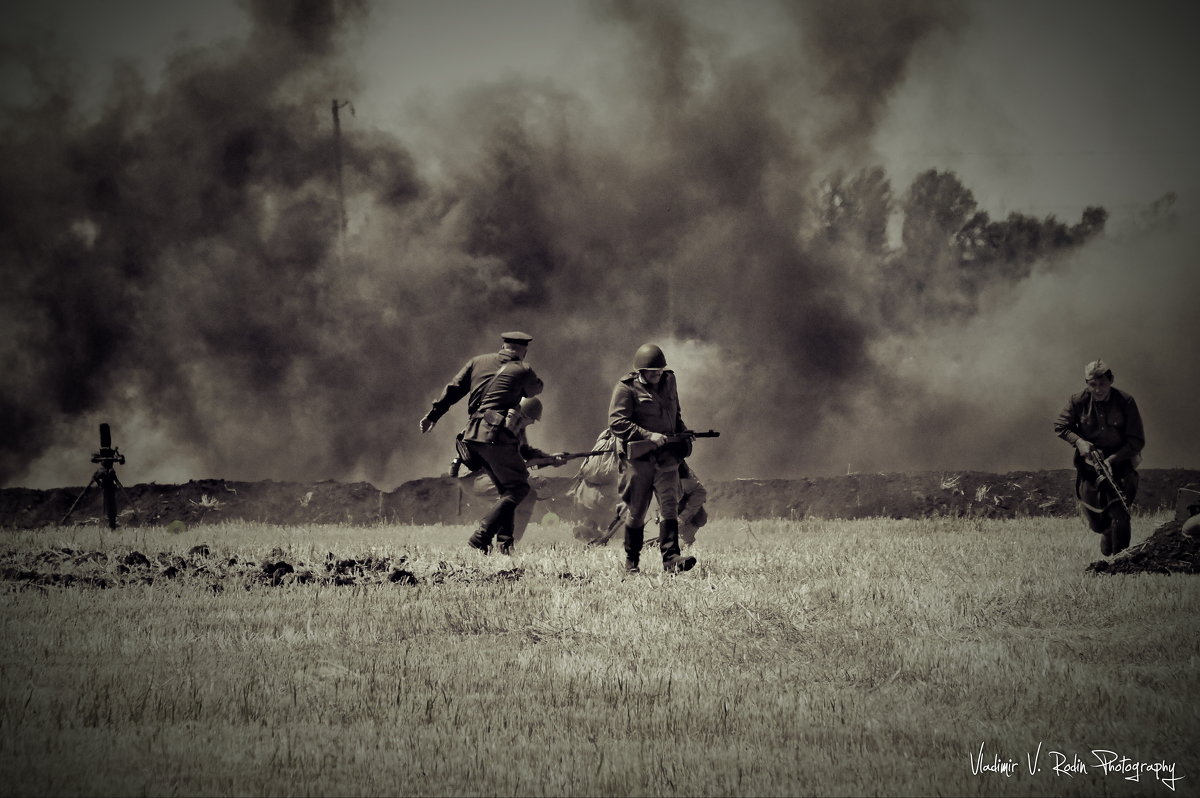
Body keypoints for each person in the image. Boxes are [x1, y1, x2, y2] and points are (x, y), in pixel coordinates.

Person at [419, 331, 546, 555]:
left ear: (504, 346)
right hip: (495, 435)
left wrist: (433, 415)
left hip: (472, 435)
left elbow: (453, 390)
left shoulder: (477, 362)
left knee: (505, 490)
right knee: (519, 488)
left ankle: (505, 545)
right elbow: (535, 390)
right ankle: (481, 536)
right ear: (523, 350)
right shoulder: (523, 369)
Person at [608, 343, 697, 574]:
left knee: (669, 506)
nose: (658, 374)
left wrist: (682, 432)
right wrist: (648, 435)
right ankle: (632, 562)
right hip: (639, 460)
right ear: (641, 371)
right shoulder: (626, 388)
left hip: (667, 458)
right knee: (636, 511)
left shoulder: (669, 381)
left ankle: (671, 558)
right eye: (652, 371)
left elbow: (675, 412)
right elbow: (617, 422)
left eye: (660, 370)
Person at [1053, 359, 1145, 556]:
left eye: (1102, 384)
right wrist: (1079, 442)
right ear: (1087, 383)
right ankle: (1106, 531)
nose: (1098, 389)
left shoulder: (1125, 401)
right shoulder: (1077, 401)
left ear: (1111, 380)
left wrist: (1112, 460)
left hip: (1120, 462)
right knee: (1096, 519)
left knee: (1120, 513)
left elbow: (1136, 440)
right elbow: (1060, 426)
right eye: (1092, 384)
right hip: (1090, 466)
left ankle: (1121, 561)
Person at [462, 397, 565, 546]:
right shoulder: (504, 427)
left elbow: (525, 452)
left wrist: (550, 458)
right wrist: (536, 470)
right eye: (532, 419)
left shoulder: (516, 429)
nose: (533, 423)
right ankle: (482, 536)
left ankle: (506, 543)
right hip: (474, 475)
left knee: (521, 493)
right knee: (518, 491)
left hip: (487, 472)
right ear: (524, 416)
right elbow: (511, 462)